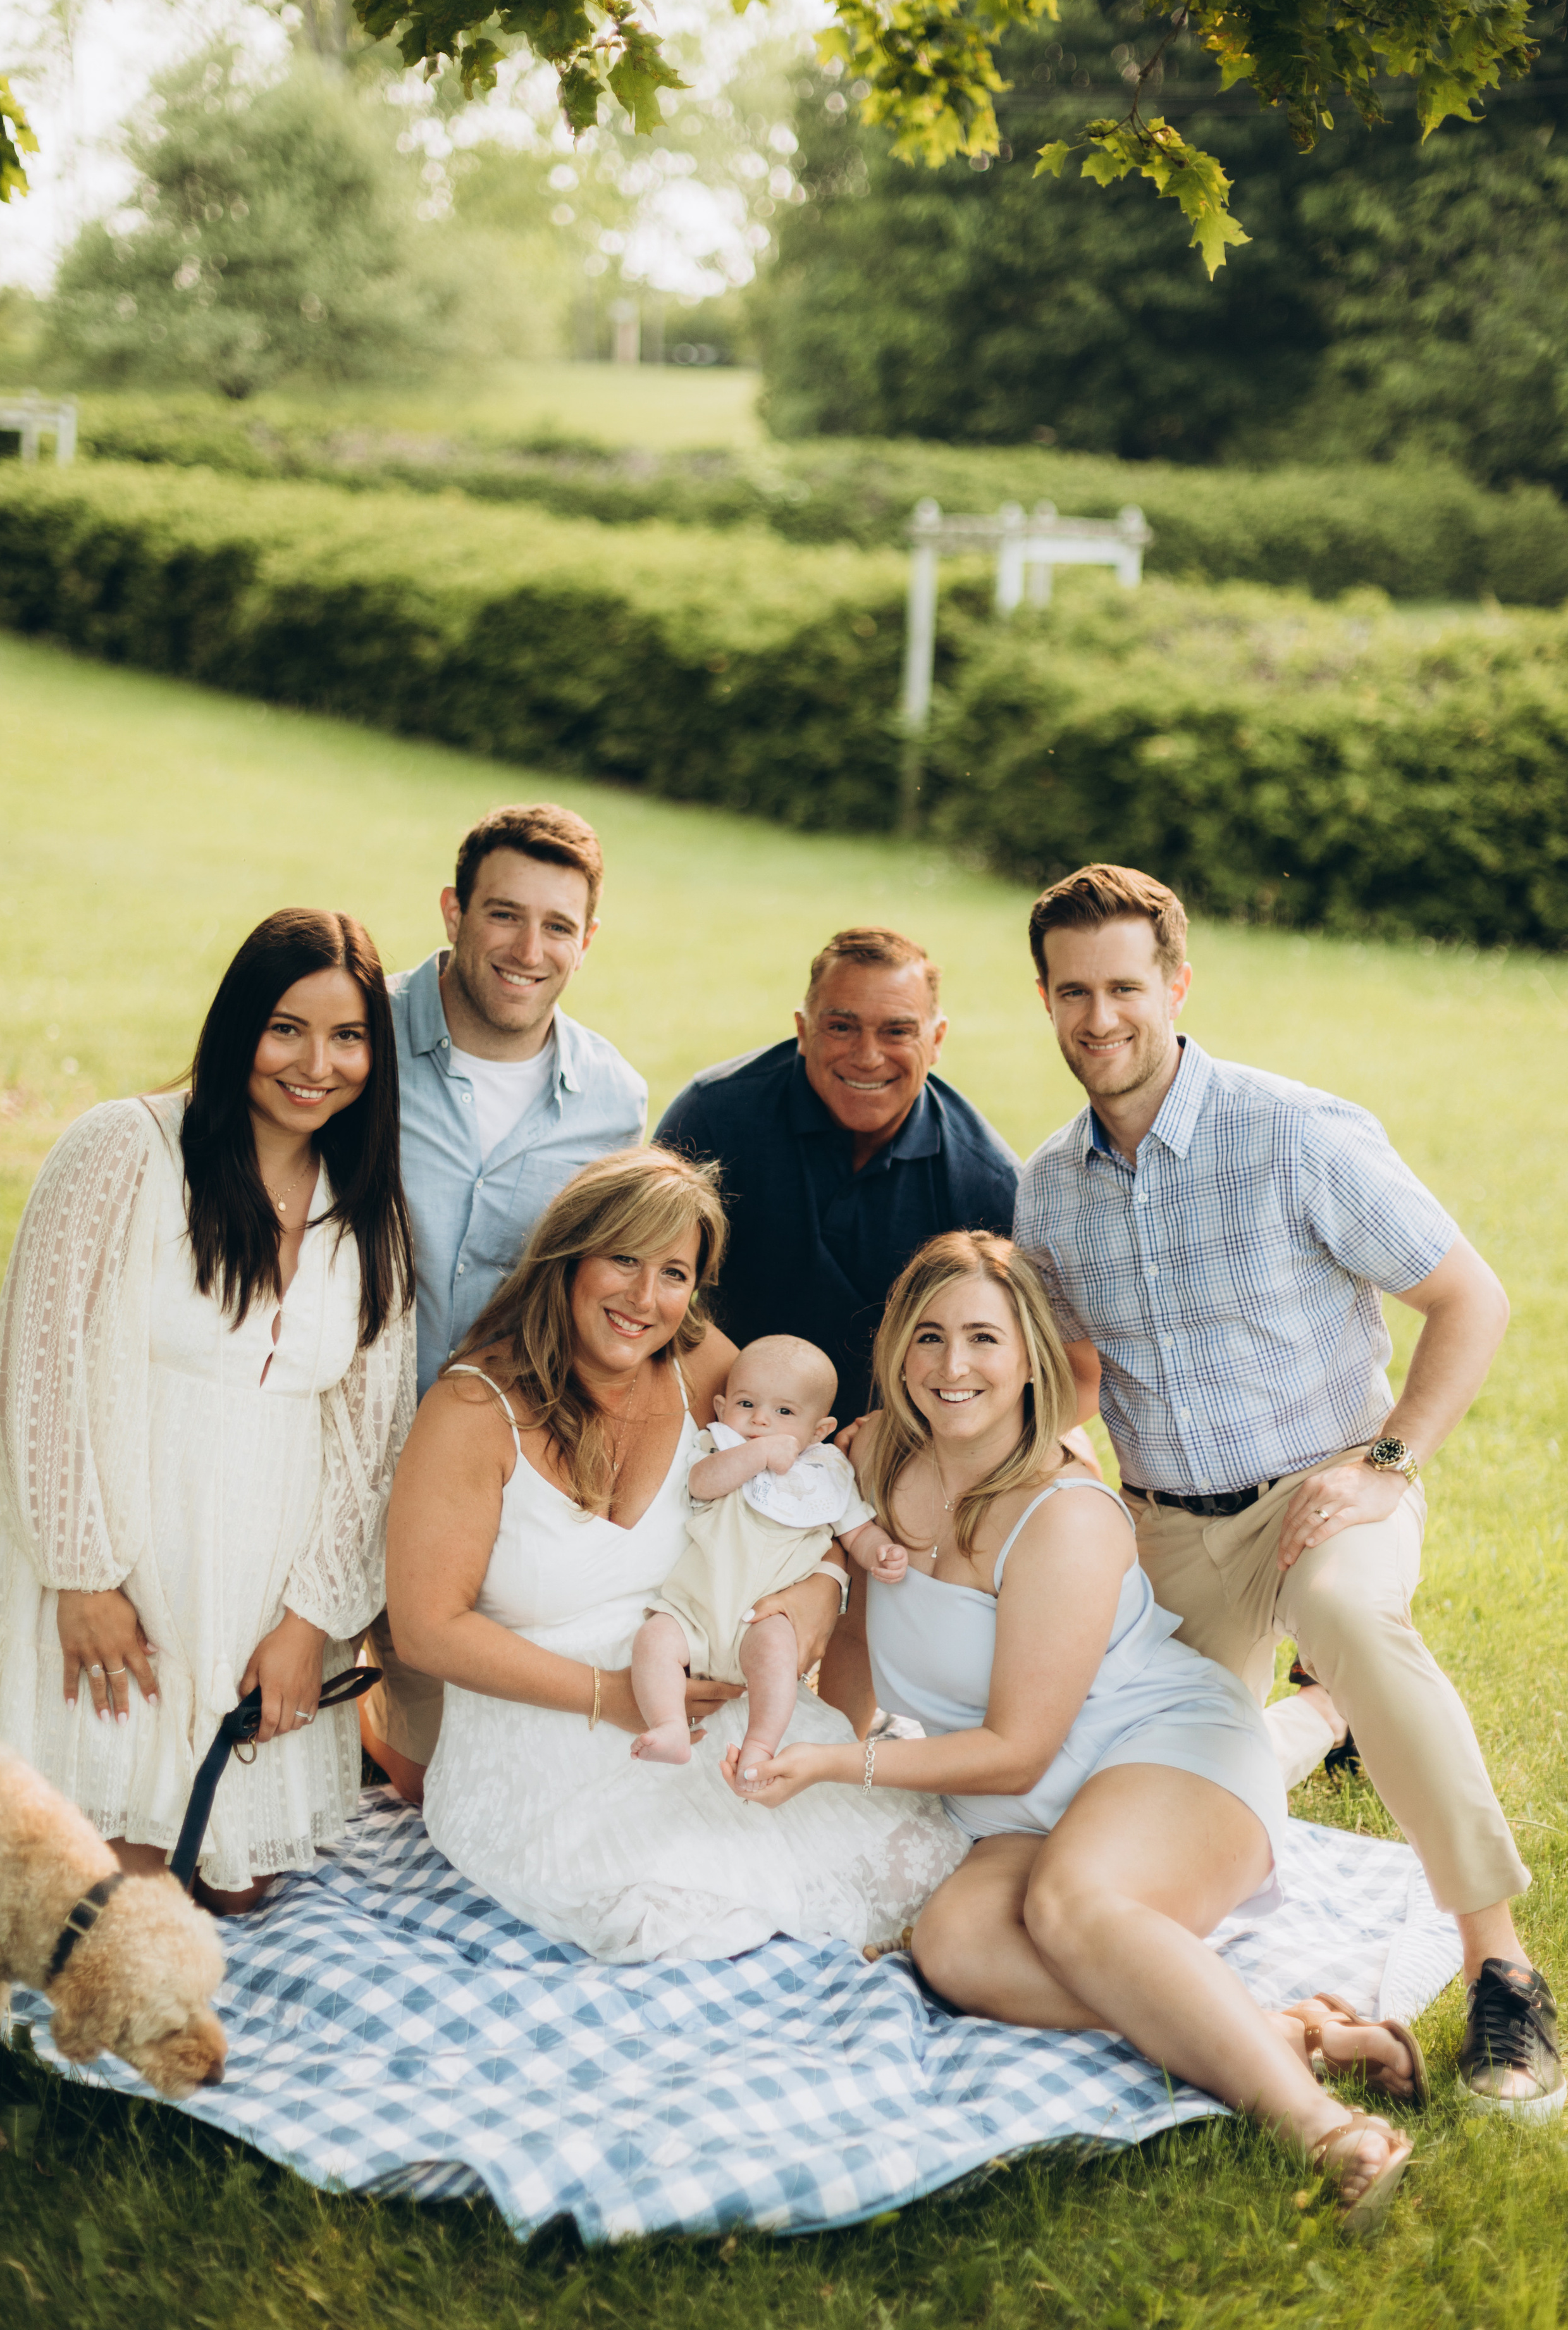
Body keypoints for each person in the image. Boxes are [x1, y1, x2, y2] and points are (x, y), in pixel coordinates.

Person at [730, 1234, 1422, 2238]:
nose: (954, 1365)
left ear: (1030, 1359)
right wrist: (829, 1745)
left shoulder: (1066, 1512)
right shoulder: (873, 1458)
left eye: (984, 1338)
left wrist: (840, 1763)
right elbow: (856, 1638)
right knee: (955, 1947)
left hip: (1158, 1752)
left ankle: (1325, 2129)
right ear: (897, 1348)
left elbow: (1017, 1746)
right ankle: (1284, 2030)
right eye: (929, 1336)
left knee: (1073, 1905)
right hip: (1014, 1808)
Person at [1014, 862, 1560, 2120]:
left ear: (1177, 986)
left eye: (1123, 988)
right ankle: (1321, 1719)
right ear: (1044, 1001)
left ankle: (1502, 1969)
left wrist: (1386, 1463)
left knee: (1349, 1610)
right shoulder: (1047, 1187)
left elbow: (1469, 1298)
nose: (1098, 1018)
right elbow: (1078, 1374)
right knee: (1148, 1780)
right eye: (1071, 993)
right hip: (1165, 1525)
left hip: (1326, 1493)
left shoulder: (1293, 1132)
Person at [383, 1146, 967, 1963]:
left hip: (714, 1706)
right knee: (671, 1917)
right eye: (622, 1259)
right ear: (567, 1258)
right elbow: (426, 1630)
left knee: (912, 1862)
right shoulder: (472, 1408)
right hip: (547, 1733)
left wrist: (824, 1588)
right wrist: (610, 1695)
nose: (644, 1298)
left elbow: (809, 1485)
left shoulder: (699, 1366)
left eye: (674, 1274)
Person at [0, 910, 416, 1911]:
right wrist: (83, 1576)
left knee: (237, 1895)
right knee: (111, 1897)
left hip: (258, 1603)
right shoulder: (127, 1149)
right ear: (238, 1024)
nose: (317, 1065)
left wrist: (310, 1622)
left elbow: (370, 1442)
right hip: (120, 1578)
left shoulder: (367, 1208)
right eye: (286, 1029)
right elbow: (40, 1370)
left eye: (348, 1037)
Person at [362, 802, 647, 1794]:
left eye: (558, 926)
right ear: (453, 911)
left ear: (588, 940)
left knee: (432, 1782)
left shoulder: (613, 1099)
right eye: (504, 915)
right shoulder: (359, 1038)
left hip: (480, 1479)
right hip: (329, 1437)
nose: (530, 951)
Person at [654, 926, 1020, 1428]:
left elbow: (1020, 1367)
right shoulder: (714, 1117)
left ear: (936, 1040)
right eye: (842, 1027)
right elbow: (642, 1289)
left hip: (896, 1439)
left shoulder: (988, 1181)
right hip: (721, 1416)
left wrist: (898, 1436)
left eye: (897, 1031)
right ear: (803, 1030)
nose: (867, 1057)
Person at [631, 1333, 908, 1777]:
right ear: (721, 1407)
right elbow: (700, 1484)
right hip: (693, 1613)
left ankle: (760, 1744)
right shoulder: (720, 1446)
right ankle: (669, 1727)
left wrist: (881, 1552)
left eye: (784, 1412)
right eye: (746, 1404)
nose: (760, 1420)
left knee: (778, 1658)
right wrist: (757, 1454)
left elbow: (856, 1531)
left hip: (765, 1619)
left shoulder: (825, 1473)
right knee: (654, 1640)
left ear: (819, 1431)